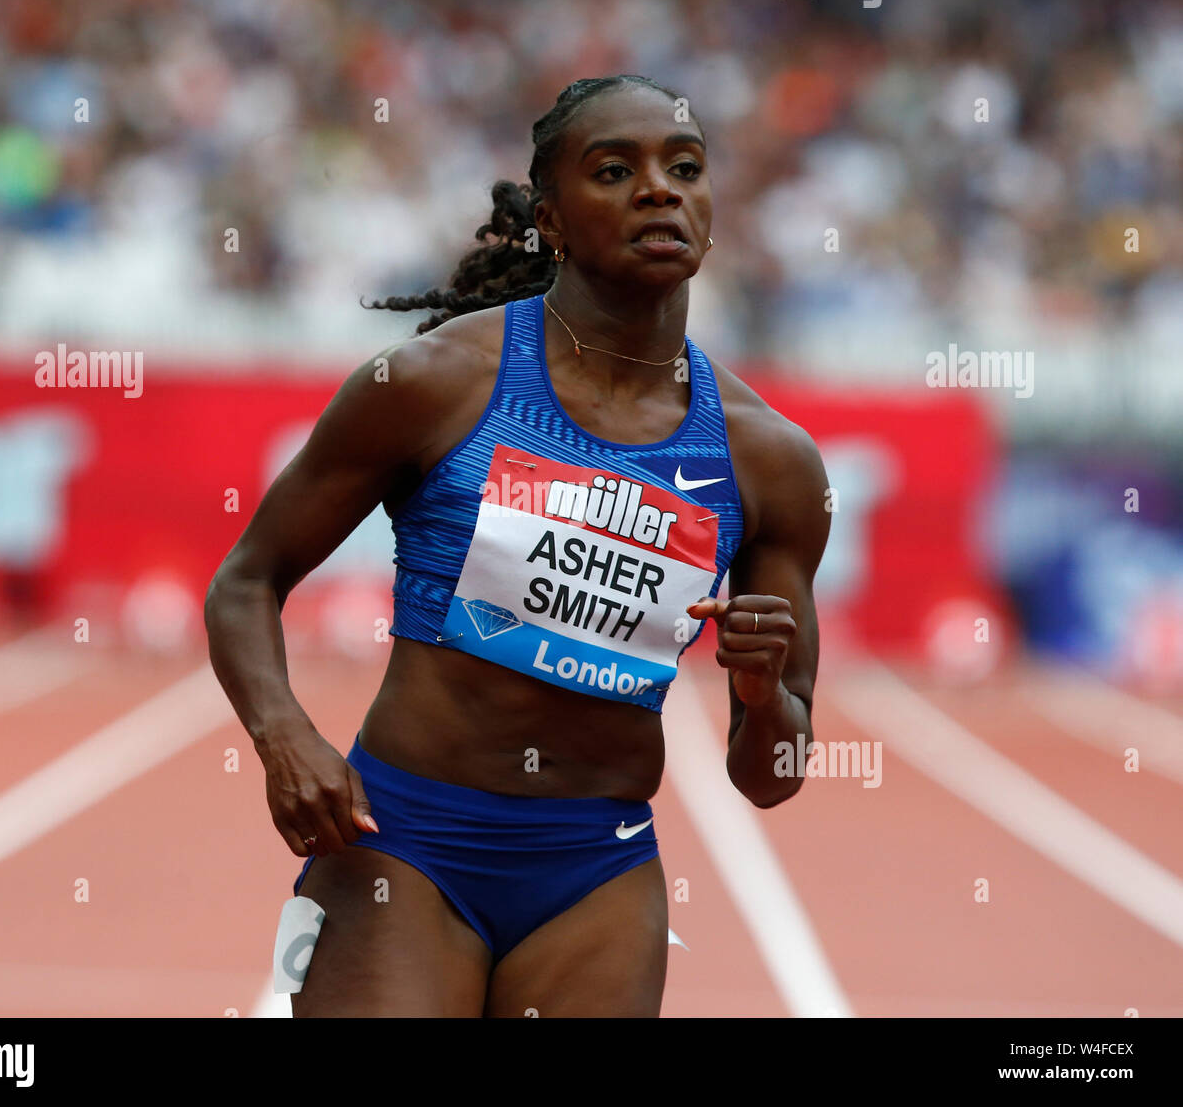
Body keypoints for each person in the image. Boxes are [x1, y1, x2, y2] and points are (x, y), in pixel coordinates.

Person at [204, 75, 831, 1017]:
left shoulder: (768, 461)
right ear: (552, 219)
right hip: (404, 842)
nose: (660, 190)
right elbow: (246, 581)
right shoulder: (432, 383)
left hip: (596, 870)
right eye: (615, 170)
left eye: (686, 168)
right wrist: (283, 735)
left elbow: (770, 776)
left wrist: (760, 692)